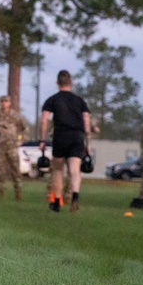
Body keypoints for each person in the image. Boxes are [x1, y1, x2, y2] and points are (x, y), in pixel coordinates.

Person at [39, 70, 91, 212]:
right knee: (74, 170)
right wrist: (88, 143)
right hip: (77, 136)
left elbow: (44, 120)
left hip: (61, 136)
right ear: (71, 82)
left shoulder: (53, 99)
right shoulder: (80, 101)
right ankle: (75, 197)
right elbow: (86, 121)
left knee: (57, 169)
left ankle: (56, 202)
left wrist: (42, 139)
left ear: (57, 83)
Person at [0, 95, 26, 201]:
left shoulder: (15, 116)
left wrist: (21, 140)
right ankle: (2, 194)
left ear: (9, 103)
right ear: (0, 103)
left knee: (16, 170)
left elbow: (24, 128)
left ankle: (18, 193)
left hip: (12, 147)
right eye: (2, 101)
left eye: (6, 101)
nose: (4, 103)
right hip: (0, 147)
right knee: (0, 171)